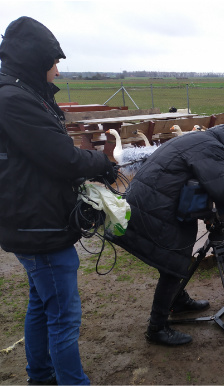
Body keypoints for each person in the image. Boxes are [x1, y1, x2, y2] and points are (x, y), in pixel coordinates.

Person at [0, 17, 117, 385]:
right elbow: (62, 158)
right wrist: (102, 164)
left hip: (34, 218)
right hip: (40, 225)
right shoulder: (14, 99)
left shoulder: (22, 92)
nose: (57, 68)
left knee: (40, 304)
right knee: (63, 316)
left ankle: (40, 375)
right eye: (54, 60)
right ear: (37, 60)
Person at [111, 123, 224, 346]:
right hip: (155, 206)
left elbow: (202, 181)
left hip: (152, 200)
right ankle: (157, 328)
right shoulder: (212, 148)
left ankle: (177, 301)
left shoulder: (200, 141)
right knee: (173, 263)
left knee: (175, 256)